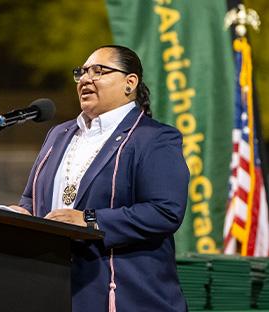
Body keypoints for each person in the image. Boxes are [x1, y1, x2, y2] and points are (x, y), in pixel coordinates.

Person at [11, 45, 189, 312]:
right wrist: (21, 213)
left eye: (99, 71)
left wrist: (89, 220)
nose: (85, 79)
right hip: (55, 289)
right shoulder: (59, 134)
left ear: (130, 83)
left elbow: (164, 211)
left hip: (124, 293)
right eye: (81, 72)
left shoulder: (154, 138)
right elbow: (32, 197)